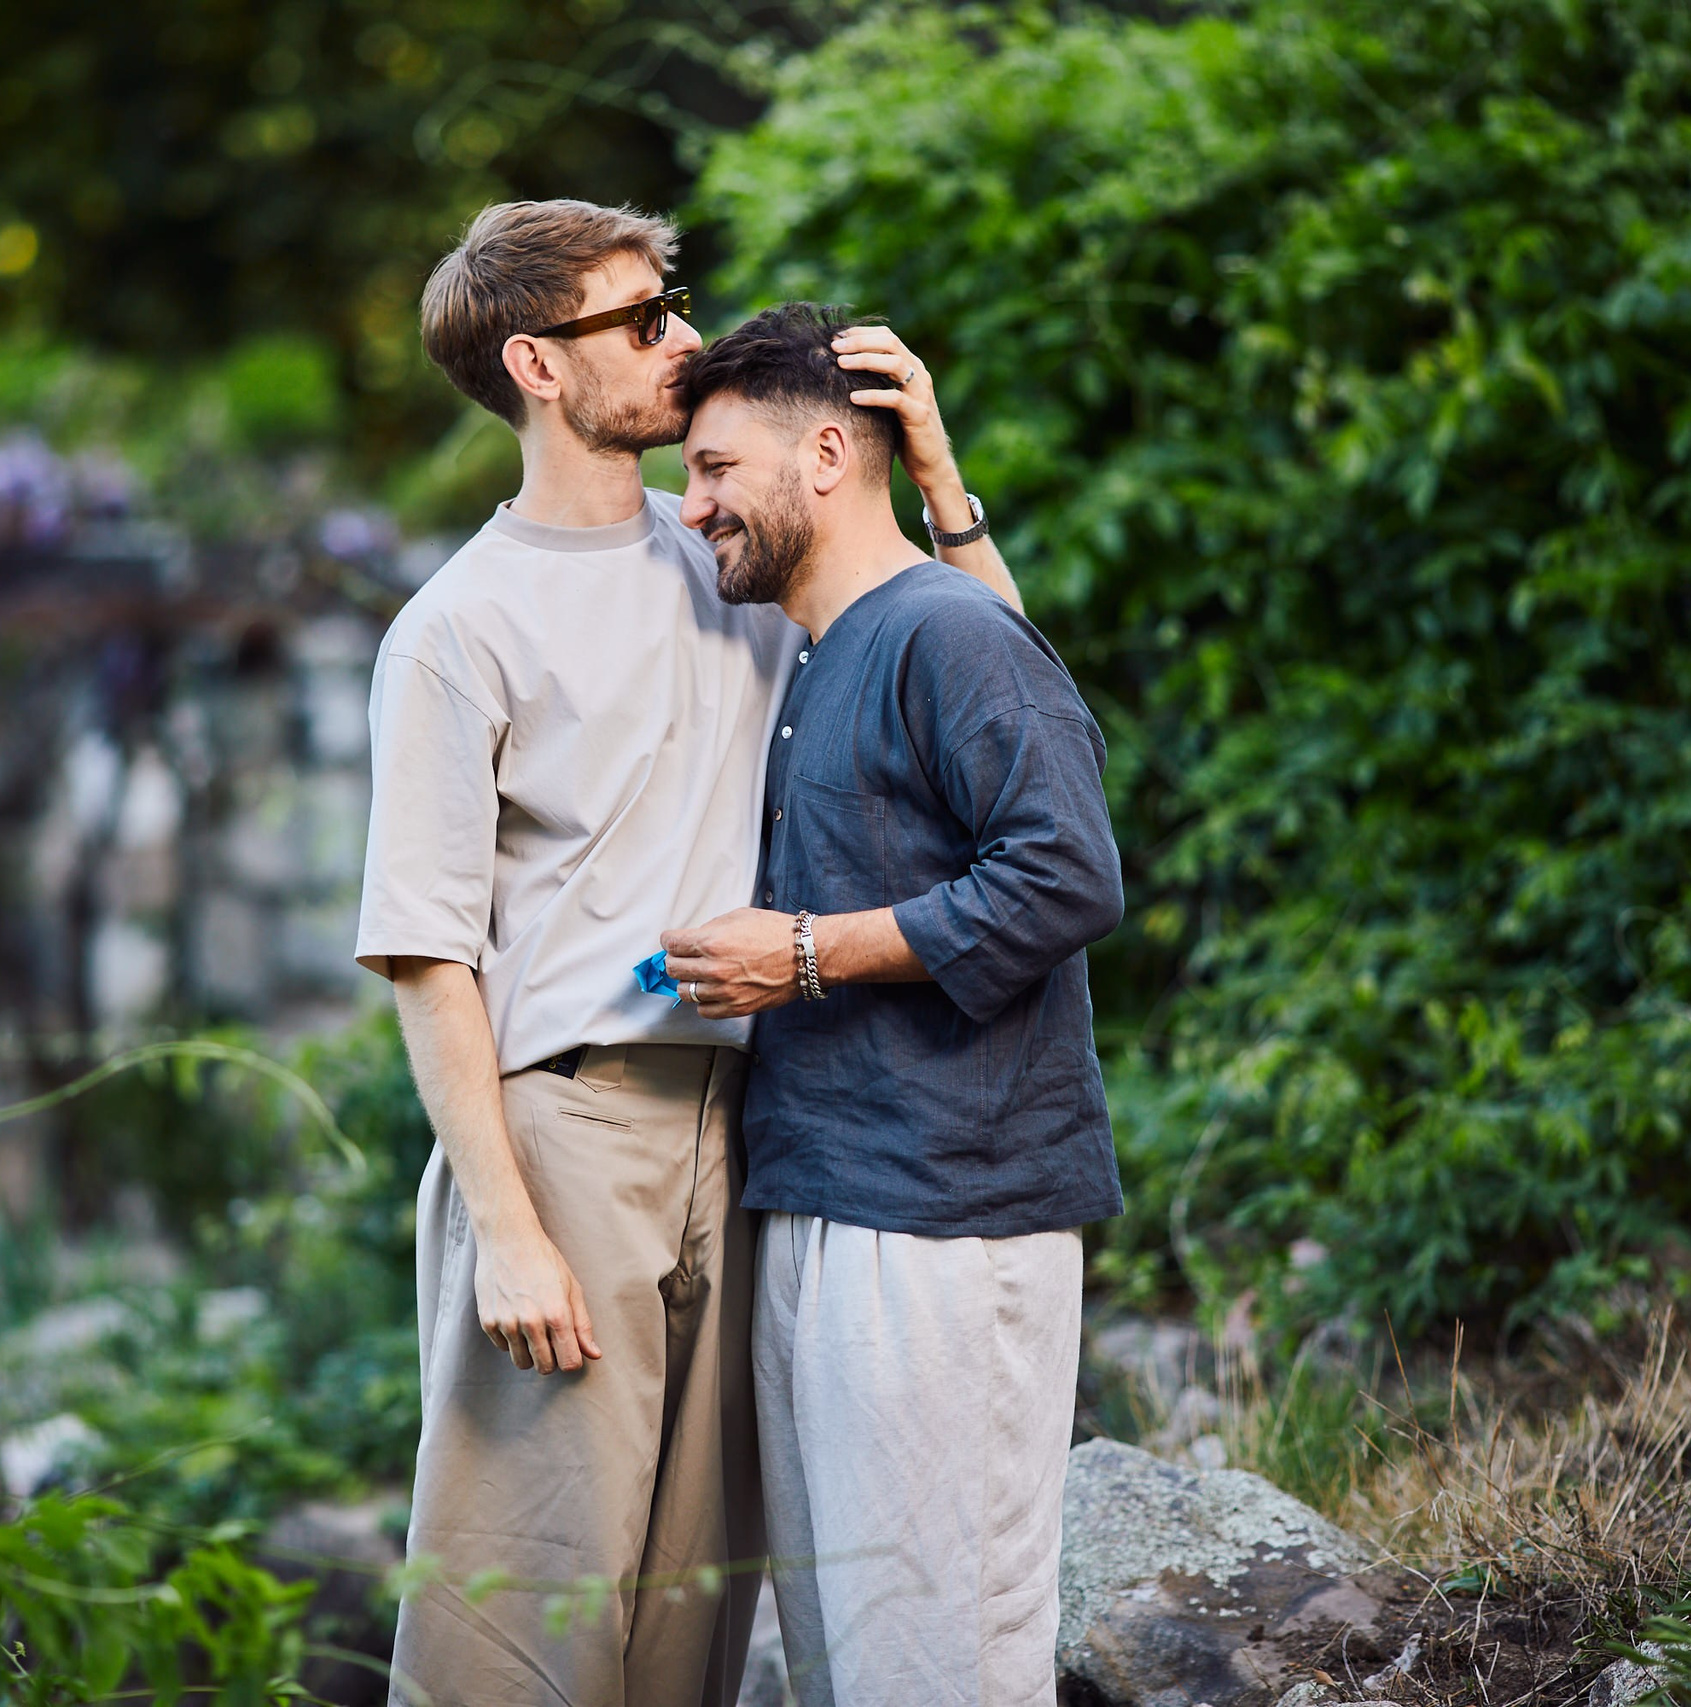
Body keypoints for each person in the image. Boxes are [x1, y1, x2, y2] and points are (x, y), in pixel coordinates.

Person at [355, 203, 1022, 1707]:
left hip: (759, 1128)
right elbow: (424, 954)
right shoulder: (455, 630)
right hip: (568, 1125)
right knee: (521, 1630)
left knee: (689, 1632)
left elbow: (995, 705)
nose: (682, 342)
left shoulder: (728, 549)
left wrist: (939, 481)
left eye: (676, 306)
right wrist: (506, 1223)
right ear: (538, 363)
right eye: (642, 319)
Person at [661, 302, 1124, 1706]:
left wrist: (801, 956)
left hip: (944, 1231)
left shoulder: (936, 632)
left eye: (715, 469)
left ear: (822, 454)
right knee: (848, 1677)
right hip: (819, 1206)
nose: (691, 509)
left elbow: (1066, 870)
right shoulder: (826, 649)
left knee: (941, 1673)